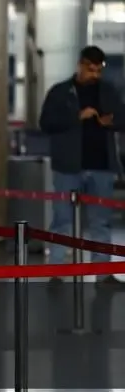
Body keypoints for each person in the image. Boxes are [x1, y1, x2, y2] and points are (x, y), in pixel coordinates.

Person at [39, 45, 125, 277]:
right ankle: (56, 270)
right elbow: (46, 123)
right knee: (62, 220)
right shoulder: (60, 92)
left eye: (98, 70)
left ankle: (103, 273)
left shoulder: (108, 91)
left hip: (102, 166)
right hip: (68, 167)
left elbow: (122, 118)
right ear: (80, 65)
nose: (94, 75)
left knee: (101, 222)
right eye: (90, 69)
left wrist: (112, 121)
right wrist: (77, 116)